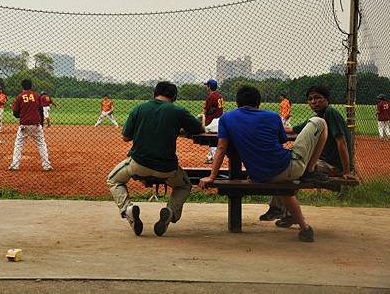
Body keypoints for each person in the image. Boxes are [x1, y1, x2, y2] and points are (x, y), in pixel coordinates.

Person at [199, 85, 328, 242]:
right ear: (258, 103)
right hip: (288, 169)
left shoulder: (227, 118)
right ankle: (310, 170)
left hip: (260, 175)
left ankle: (305, 228)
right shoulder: (272, 116)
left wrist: (212, 177)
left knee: (282, 183)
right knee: (319, 122)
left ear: (237, 103)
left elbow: (220, 148)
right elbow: (282, 141)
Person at [107, 81, 203, 236]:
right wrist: (177, 130)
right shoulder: (178, 111)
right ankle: (171, 211)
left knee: (113, 179)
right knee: (184, 185)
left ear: (154, 94)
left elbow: (125, 137)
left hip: (138, 164)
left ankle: (127, 209)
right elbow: (199, 129)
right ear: (174, 97)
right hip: (167, 169)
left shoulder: (139, 108)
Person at [261, 84, 358, 225]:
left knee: (290, 169)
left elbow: (341, 142)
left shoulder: (330, 113)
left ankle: (279, 208)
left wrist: (346, 171)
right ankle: (288, 214)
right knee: (292, 170)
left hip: (332, 165)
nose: (313, 101)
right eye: (310, 99)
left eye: (318, 98)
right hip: (322, 162)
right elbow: (292, 129)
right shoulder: (317, 117)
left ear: (327, 100)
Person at [8, 79, 52, 171]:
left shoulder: (20, 97)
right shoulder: (36, 96)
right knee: (41, 144)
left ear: (22, 86)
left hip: (24, 124)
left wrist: (22, 114)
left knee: (18, 144)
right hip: (36, 124)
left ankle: (15, 165)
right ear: (31, 86)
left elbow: (15, 113)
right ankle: (46, 165)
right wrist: (41, 123)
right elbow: (41, 110)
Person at [202, 79, 224, 164]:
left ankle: (213, 157)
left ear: (209, 87)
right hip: (219, 119)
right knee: (214, 139)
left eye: (207, 86)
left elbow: (205, 110)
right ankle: (210, 156)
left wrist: (203, 116)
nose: (206, 87)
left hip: (212, 121)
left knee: (211, 138)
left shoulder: (211, 96)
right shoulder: (219, 95)